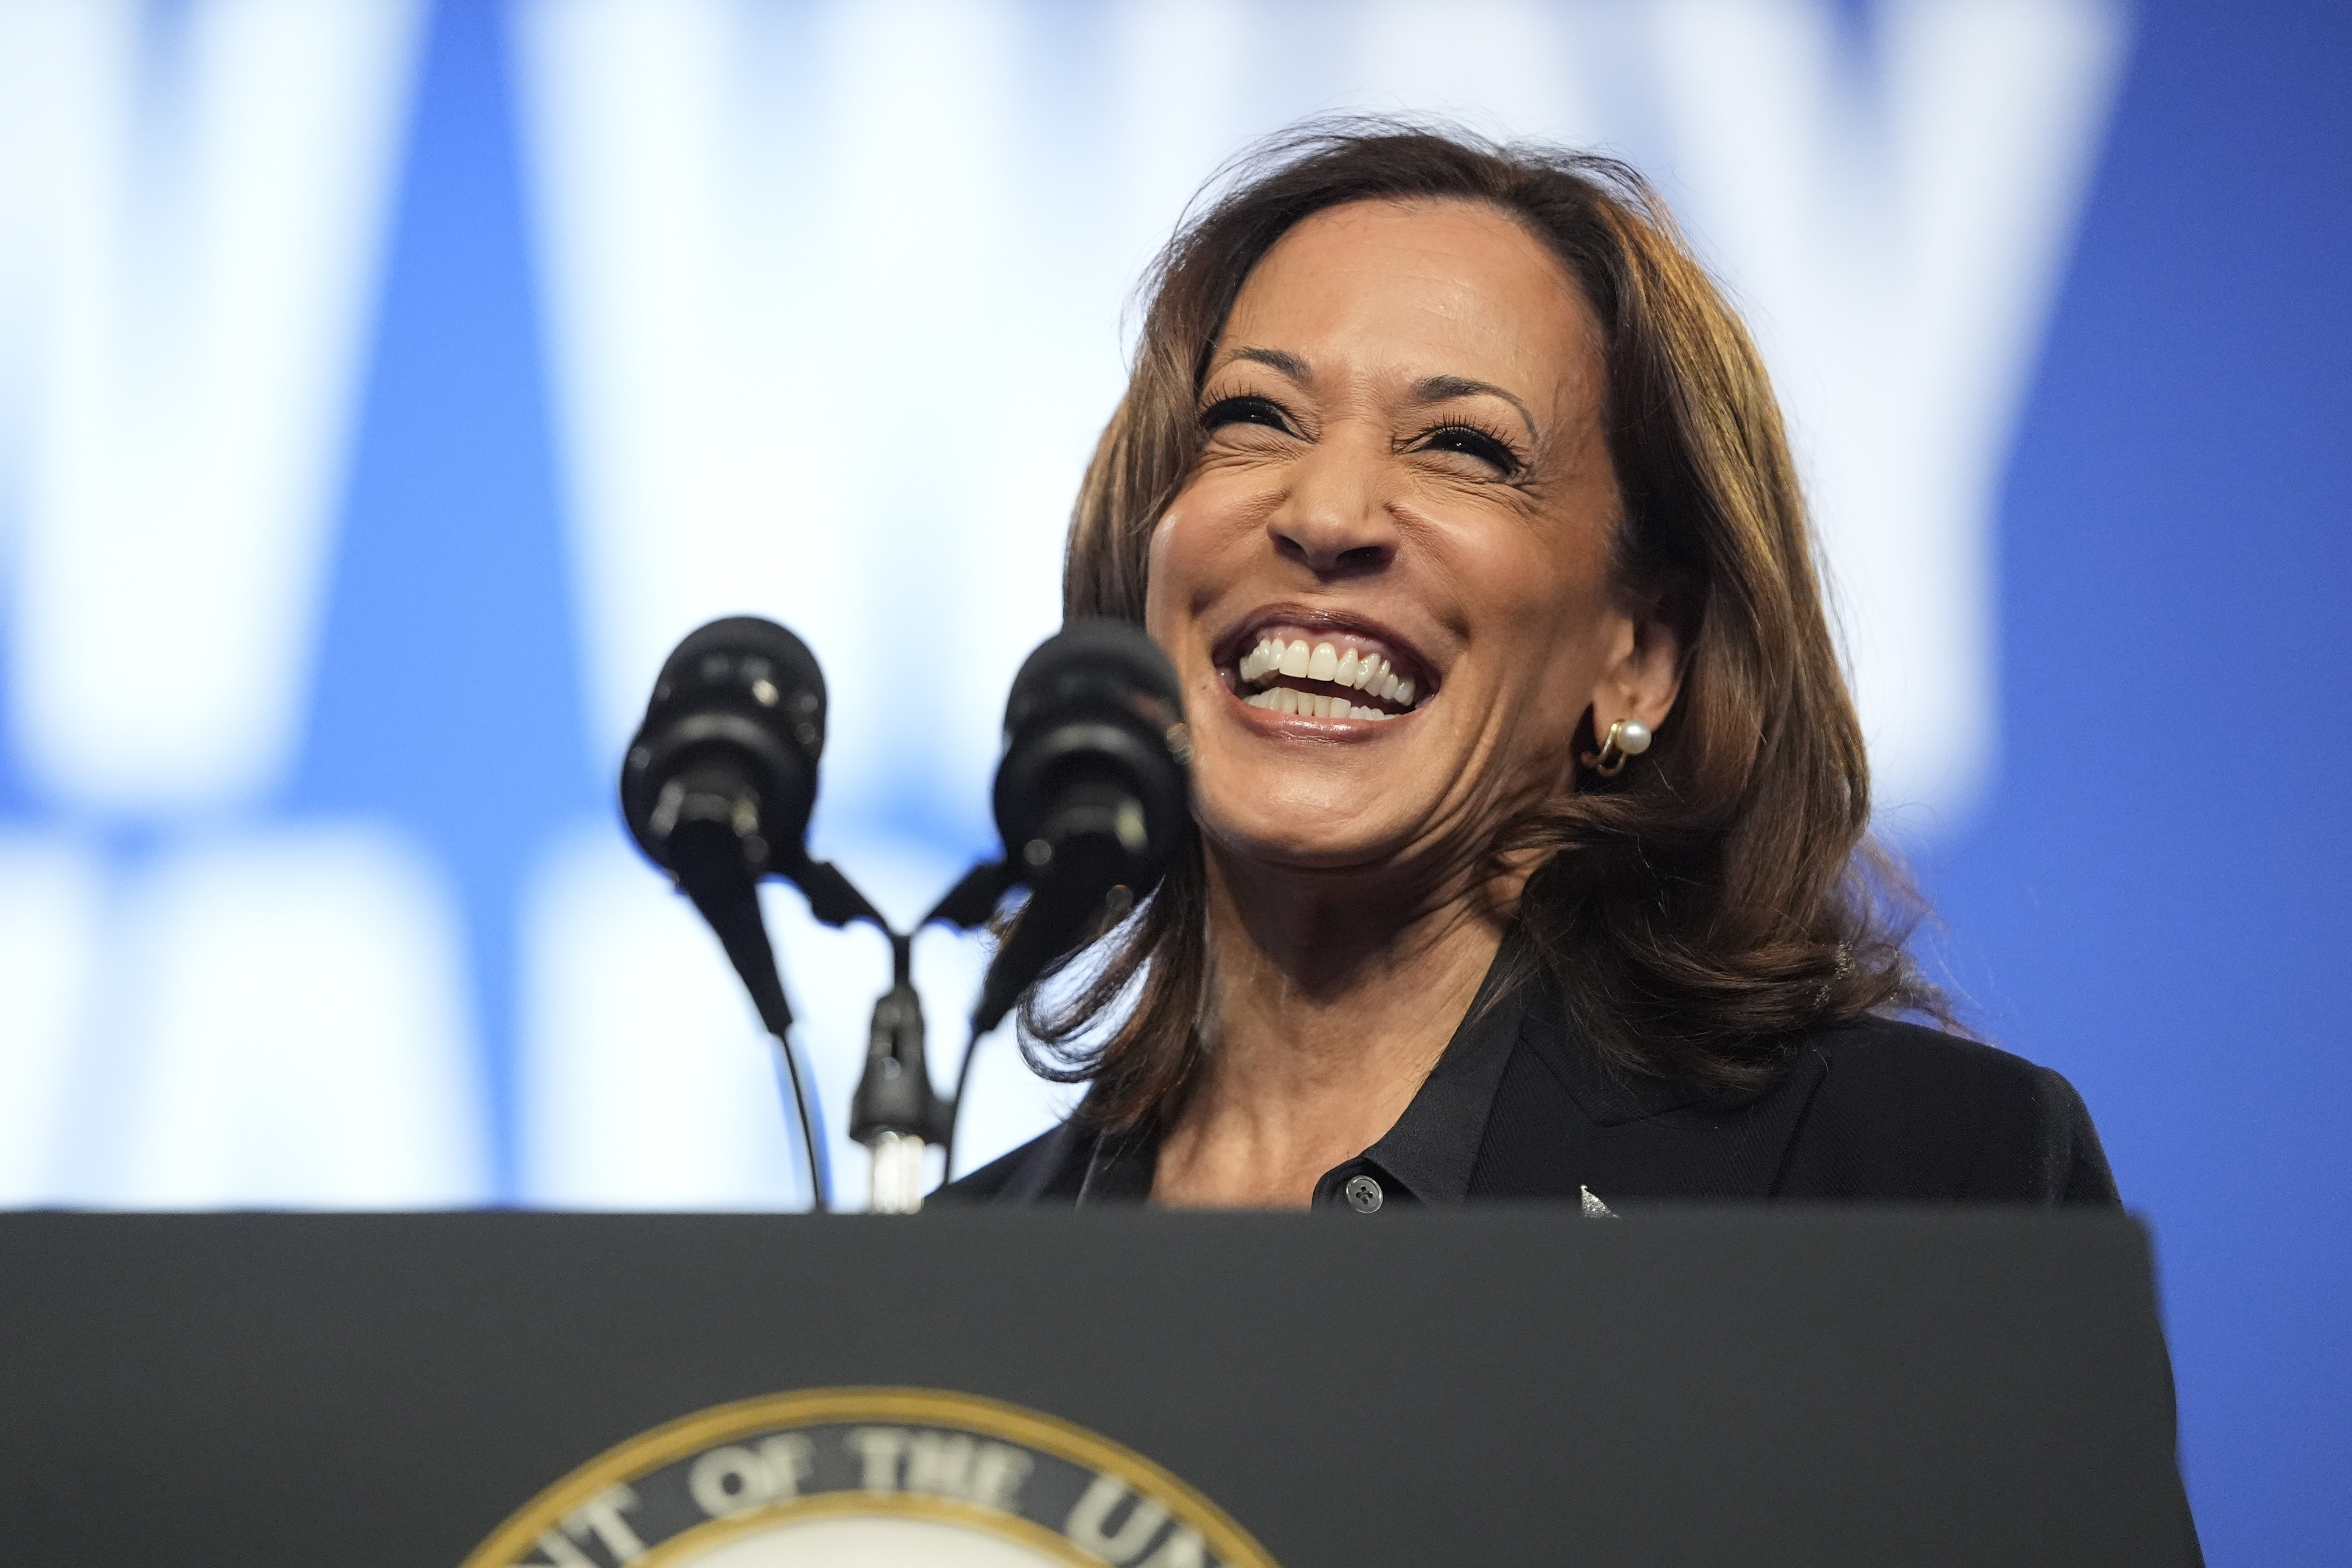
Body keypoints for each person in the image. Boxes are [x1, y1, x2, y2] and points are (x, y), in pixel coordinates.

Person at [947, 122, 2116, 1211]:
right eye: (1255, 416)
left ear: (1641, 660)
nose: (1329, 508)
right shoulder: (954, 1279)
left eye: (1464, 447)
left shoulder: (1906, 1181)